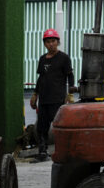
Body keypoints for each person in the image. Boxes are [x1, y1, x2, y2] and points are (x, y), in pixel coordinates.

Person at [30, 28, 76, 161]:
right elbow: (41, 78)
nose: (51, 44)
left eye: (54, 41)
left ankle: (63, 152)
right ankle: (42, 152)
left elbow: (70, 75)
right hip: (44, 99)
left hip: (57, 99)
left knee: (59, 127)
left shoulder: (64, 58)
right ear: (44, 44)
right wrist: (35, 94)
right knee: (41, 128)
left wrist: (70, 93)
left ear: (58, 42)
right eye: (48, 41)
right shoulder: (42, 59)